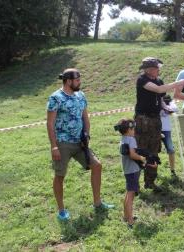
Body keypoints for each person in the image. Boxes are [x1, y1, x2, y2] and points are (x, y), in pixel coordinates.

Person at [46, 68, 114, 222]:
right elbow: (50, 124)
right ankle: (61, 210)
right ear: (68, 81)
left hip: (80, 142)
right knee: (60, 175)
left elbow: (85, 117)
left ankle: (97, 203)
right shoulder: (56, 98)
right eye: (77, 80)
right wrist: (54, 146)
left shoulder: (81, 96)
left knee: (97, 166)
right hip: (62, 143)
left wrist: (87, 134)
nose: (79, 82)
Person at [135, 57, 184, 192]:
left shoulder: (159, 81)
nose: (159, 70)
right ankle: (134, 185)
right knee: (140, 151)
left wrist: (165, 107)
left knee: (154, 152)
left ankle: (150, 182)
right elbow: (158, 90)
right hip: (143, 120)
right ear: (149, 69)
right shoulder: (142, 80)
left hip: (156, 120)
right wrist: (178, 83)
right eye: (156, 68)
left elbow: (160, 97)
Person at [115, 118, 149, 228]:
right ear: (129, 129)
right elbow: (132, 155)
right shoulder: (131, 139)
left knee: (129, 193)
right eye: (133, 128)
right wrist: (142, 158)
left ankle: (126, 216)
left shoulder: (123, 139)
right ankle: (130, 220)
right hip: (133, 171)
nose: (134, 130)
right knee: (130, 195)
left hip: (127, 170)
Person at [160, 95, 179, 178]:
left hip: (166, 130)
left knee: (171, 150)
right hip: (155, 129)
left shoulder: (169, 101)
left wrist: (167, 105)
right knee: (152, 151)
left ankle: (172, 170)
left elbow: (175, 109)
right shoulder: (154, 101)